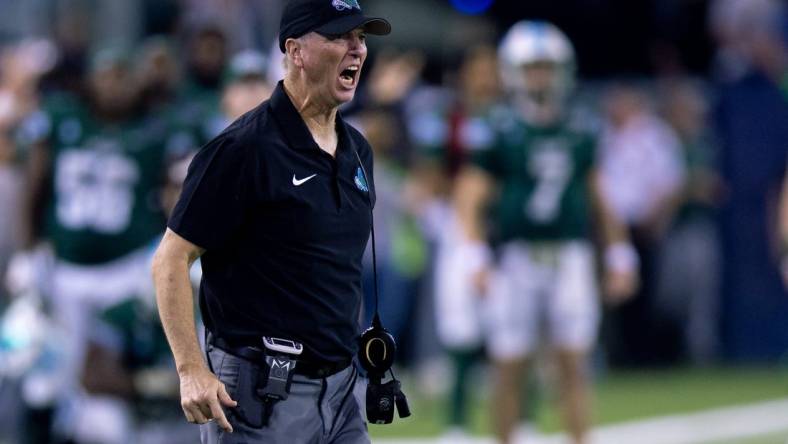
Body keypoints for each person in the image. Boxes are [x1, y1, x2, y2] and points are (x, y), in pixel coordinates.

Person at [151, 1, 391, 443]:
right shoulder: (244, 149)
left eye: (361, 38)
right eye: (340, 37)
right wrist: (190, 370)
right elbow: (170, 258)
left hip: (342, 393)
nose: (357, 49)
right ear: (296, 51)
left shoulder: (358, 150)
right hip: (260, 394)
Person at [455, 21, 638, 444]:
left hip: (569, 254)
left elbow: (599, 195)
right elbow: (470, 195)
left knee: (574, 364)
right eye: (532, 66)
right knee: (509, 366)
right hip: (516, 257)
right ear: (514, 70)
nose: (540, 76)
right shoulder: (498, 127)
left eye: (547, 66)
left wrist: (620, 253)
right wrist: (473, 253)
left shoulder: (580, 125)